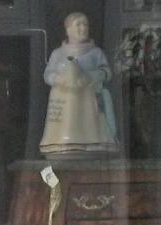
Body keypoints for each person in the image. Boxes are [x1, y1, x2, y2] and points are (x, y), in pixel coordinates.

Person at [40, 11, 118, 157]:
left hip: (88, 100)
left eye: (85, 24)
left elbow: (106, 72)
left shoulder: (96, 53)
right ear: (68, 29)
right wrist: (58, 79)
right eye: (78, 25)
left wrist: (90, 77)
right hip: (64, 101)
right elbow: (47, 74)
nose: (83, 28)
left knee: (91, 126)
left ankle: (92, 143)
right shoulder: (57, 54)